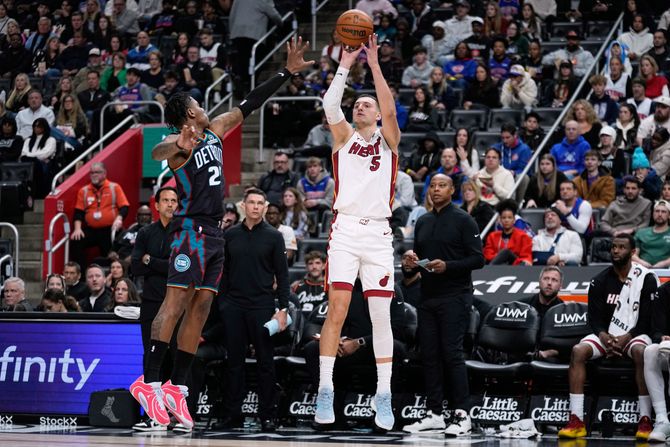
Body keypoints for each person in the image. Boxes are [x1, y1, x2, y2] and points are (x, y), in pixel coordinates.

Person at [129, 36, 313, 431]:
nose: (203, 106)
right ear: (188, 113)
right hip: (190, 232)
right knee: (175, 304)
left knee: (200, 309)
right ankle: (149, 382)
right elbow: (160, 152)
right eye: (197, 104)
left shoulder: (215, 130)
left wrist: (286, 72)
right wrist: (177, 143)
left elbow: (250, 103)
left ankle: (177, 386)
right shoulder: (179, 144)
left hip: (215, 233)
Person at [314, 34, 401, 431]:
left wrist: (376, 65)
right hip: (346, 231)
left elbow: (390, 108)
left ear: (377, 113)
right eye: (357, 104)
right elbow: (330, 105)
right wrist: (346, 64)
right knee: (337, 310)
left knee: (381, 317)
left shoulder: (389, 141)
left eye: (366, 104)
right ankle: (325, 388)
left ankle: (384, 394)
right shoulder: (344, 138)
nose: (360, 106)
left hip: (379, 235)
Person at [402, 173, 484, 435]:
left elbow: (478, 259)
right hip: (428, 297)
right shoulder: (423, 221)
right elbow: (417, 266)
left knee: (452, 354)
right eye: (433, 186)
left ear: (452, 190)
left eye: (442, 186)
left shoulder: (464, 219)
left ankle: (462, 414)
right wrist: (409, 266)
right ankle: (435, 413)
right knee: (429, 356)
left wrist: (448, 266)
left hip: (456, 296)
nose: (436, 189)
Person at [559, 234, 657, 440]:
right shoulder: (599, 280)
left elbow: (648, 319)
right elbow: (594, 319)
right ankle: (576, 420)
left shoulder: (646, 279)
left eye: (621, 247)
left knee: (641, 352)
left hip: (635, 334)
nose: (615, 251)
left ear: (632, 252)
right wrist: (605, 337)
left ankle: (645, 419)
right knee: (578, 351)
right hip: (607, 335)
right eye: (613, 247)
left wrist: (626, 338)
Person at [218, 188, 290, 431]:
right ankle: (232, 415)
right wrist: (223, 303)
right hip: (234, 307)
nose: (256, 207)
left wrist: (283, 308)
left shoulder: (274, 236)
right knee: (234, 363)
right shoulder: (230, 235)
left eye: (260, 203)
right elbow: (223, 272)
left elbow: (283, 275)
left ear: (265, 207)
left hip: (262, 306)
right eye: (252, 202)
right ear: (244, 206)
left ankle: (267, 416)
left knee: (265, 364)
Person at [130, 186, 178, 431]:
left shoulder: (183, 233)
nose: (170, 204)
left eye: (174, 200)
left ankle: (173, 412)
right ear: (156, 205)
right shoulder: (145, 232)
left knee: (173, 356)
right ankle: (152, 414)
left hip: (176, 304)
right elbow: (136, 267)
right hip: (151, 303)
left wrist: (151, 260)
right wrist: (162, 264)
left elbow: (179, 268)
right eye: (165, 200)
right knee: (150, 357)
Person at [70, 162, 130, 268]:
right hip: (92, 229)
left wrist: (119, 219)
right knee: (76, 240)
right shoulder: (84, 191)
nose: (94, 175)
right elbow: (78, 212)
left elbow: (124, 207)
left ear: (104, 173)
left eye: (97, 172)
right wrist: (77, 229)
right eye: (92, 173)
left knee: (115, 246)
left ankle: (111, 273)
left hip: (110, 229)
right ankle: (81, 273)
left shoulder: (114, 187)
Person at [229, 0, 282, 97]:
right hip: (254, 33)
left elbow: (232, 15)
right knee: (257, 59)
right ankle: (249, 83)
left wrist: (232, 31)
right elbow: (272, 13)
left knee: (243, 58)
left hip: (237, 32)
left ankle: (243, 80)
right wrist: (281, 22)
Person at [643, 280, 670, 442]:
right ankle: (662, 419)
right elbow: (656, 330)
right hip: (667, 348)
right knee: (650, 351)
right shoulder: (663, 292)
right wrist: (661, 337)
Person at [483, 199, 532, 265]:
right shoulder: (492, 236)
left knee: (506, 252)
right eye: (504, 218)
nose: (506, 220)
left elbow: (526, 259)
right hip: (497, 267)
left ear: (514, 219)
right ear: (500, 220)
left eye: (509, 217)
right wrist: (501, 258)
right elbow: (488, 255)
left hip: (516, 267)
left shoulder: (523, 237)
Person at [633, 200, 670, 269]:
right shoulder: (641, 233)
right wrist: (642, 263)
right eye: (657, 211)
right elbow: (633, 255)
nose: (660, 214)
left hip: (667, 271)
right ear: (653, 214)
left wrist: (664, 263)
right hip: (642, 270)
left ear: (669, 215)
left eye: (663, 212)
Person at [291, 250, 327, 317]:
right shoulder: (296, 286)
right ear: (306, 267)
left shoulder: (330, 287)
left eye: (318, 263)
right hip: (300, 321)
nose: (314, 266)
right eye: (310, 263)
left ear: (324, 266)